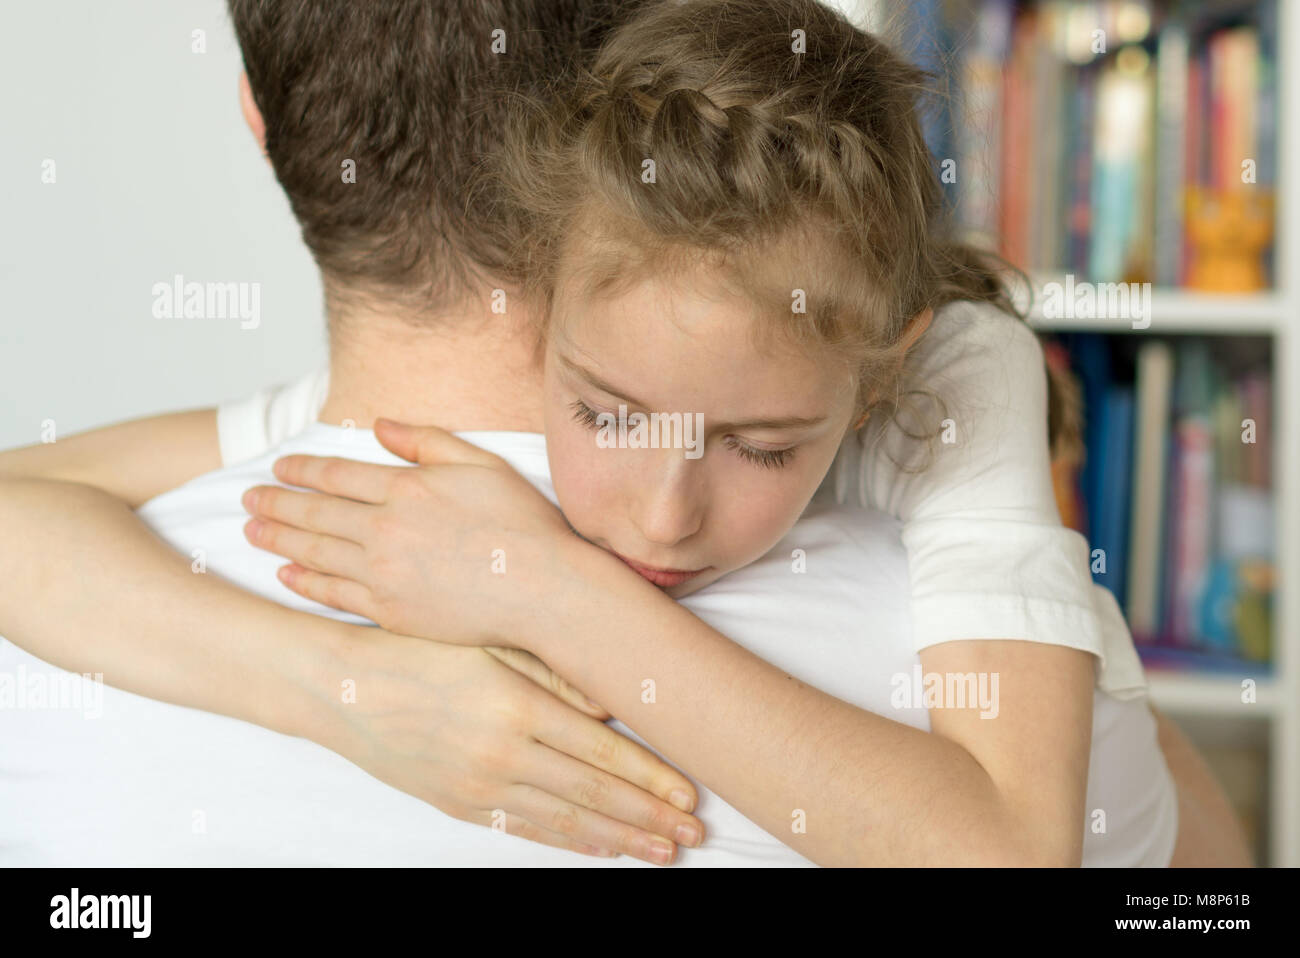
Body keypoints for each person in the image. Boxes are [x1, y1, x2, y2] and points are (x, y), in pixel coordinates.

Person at [0, 0, 1250, 865]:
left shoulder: (57, 655)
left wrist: (541, 603)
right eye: (605, 409)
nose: (666, 514)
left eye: (762, 445)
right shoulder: (971, 667)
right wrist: (354, 690)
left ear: (259, 122)